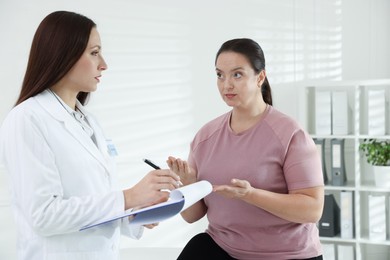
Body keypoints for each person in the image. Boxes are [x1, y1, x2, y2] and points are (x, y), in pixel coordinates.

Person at [0, 11, 181, 260]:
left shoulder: (89, 121)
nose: (103, 64)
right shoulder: (27, 119)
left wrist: (135, 213)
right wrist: (127, 197)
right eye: (94, 53)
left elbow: (91, 202)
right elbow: (44, 215)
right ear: (63, 54)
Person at [167, 38, 324, 260]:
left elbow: (312, 209)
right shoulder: (205, 137)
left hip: (287, 255)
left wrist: (251, 195)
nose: (226, 84)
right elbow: (193, 216)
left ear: (260, 77)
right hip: (225, 248)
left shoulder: (290, 134)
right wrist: (188, 185)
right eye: (220, 75)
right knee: (198, 246)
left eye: (237, 74)